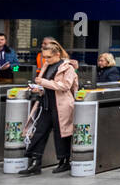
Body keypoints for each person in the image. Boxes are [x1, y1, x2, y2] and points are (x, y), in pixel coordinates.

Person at [19, 39, 79, 176]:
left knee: (61, 133)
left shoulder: (68, 67)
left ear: (57, 54)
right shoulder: (46, 66)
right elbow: (45, 86)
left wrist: (44, 82)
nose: (46, 59)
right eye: (45, 57)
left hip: (61, 105)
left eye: (49, 57)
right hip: (45, 104)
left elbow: (65, 86)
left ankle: (64, 162)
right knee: (39, 131)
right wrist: (38, 89)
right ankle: (35, 163)